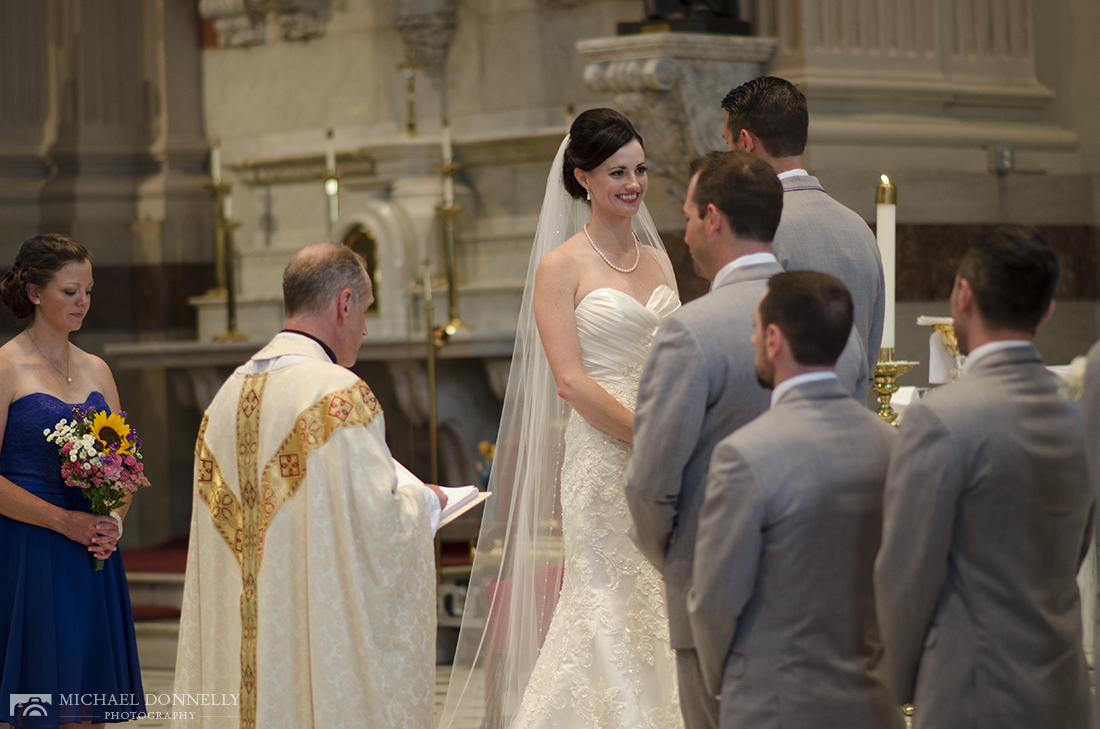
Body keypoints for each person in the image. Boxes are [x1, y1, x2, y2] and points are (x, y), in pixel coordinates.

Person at [440, 109, 683, 729]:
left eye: (640, 170)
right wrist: (651, 435)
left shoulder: (660, 262)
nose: (633, 184)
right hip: (603, 462)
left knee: (660, 601)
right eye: (616, 172)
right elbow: (571, 382)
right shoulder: (561, 267)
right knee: (605, 600)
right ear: (582, 178)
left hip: (667, 455)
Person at [173, 242, 447, 729]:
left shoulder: (224, 400)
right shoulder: (337, 394)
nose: (364, 328)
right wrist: (427, 501)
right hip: (307, 651)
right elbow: (378, 527)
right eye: (364, 312)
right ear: (344, 303)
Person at [874, 227, 1093, 729]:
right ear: (1048, 309)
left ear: (963, 294)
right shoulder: (1078, 414)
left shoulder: (943, 418)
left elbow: (906, 570)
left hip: (971, 690)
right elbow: (1076, 546)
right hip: (1064, 686)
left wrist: (903, 685)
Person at [688, 271, 902, 729]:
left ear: (773, 338)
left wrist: (728, 679)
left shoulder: (744, 456)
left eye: (754, 328)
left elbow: (714, 602)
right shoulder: (893, 445)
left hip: (774, 703)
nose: (750, 340)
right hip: (873, 700)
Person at [625, 151, 783, 729]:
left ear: (713, 219)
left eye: (689, 214)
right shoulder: (829, 319)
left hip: (712, 590)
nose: (685, 230)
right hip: (815, 589)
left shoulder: (691, 332)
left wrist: (676, 557)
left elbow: (650, 482)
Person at [0, 234, 145, 728]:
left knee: (92, 709)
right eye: (70, 291)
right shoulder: (5, 367)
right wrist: (66, 522)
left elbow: (126, 468)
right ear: (35, 293)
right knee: (45, 711)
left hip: (94, 554)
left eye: (89, 290)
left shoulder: (97, 369)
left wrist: (113, 522)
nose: (83, 301)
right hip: (32, 549)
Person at [722, 76, 885, 401]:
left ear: (746, 141)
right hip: (851, 426)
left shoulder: (754, 227)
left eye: (728, 144)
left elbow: (743, 351)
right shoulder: (860, 229)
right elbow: (867, 357)